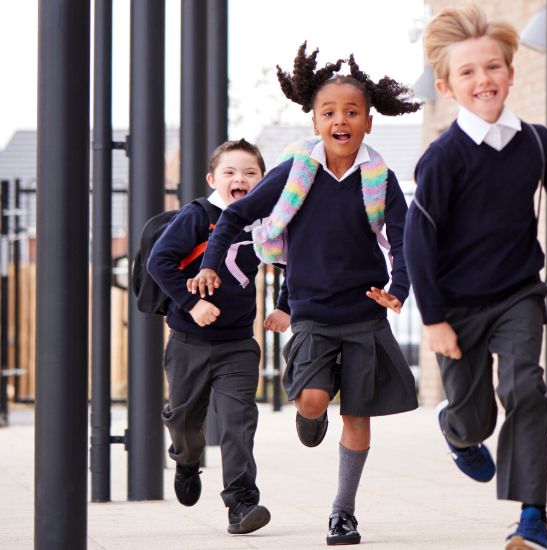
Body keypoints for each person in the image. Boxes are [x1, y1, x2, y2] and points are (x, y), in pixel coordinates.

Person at [407, 7, 547, 549]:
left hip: (519, 294)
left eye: (493, 67)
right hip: (454, 307)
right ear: (446, 85)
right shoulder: (442, 158)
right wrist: (432, 319)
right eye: (468, 72)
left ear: (510, 72)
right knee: (475, 418)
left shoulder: (538, 142)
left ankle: (532, 518)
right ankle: (455, 429)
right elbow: (418, 240)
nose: (484, 80)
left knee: (527, 388)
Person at [190, 43, 419, 546]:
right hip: (312, 313)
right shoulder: (297, 173)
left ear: (368, 123)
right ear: (315, 123)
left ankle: (343, 513)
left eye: (352, 112)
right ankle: (307, 412)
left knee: (357, 416)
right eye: (329, 112)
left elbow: (403, 240)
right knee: (315, 401)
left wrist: (398, 287)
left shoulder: (379, 179)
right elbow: (234, 215)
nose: (341, 120)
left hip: (364, 313)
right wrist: (210, 264)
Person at [148, 139, 282, 535]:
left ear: (261, 181)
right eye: (230, 172)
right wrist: (191, 305)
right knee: (185, 418)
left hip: (239, 343)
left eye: (250, 173)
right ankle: (186, 460)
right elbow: (160, 261)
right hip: (189, 340)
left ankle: (241, 503)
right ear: (213, 179)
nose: (240, 179)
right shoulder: (198, 216)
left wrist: (287, 305)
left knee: (238, 422)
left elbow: (293, 258)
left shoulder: (265, 221)